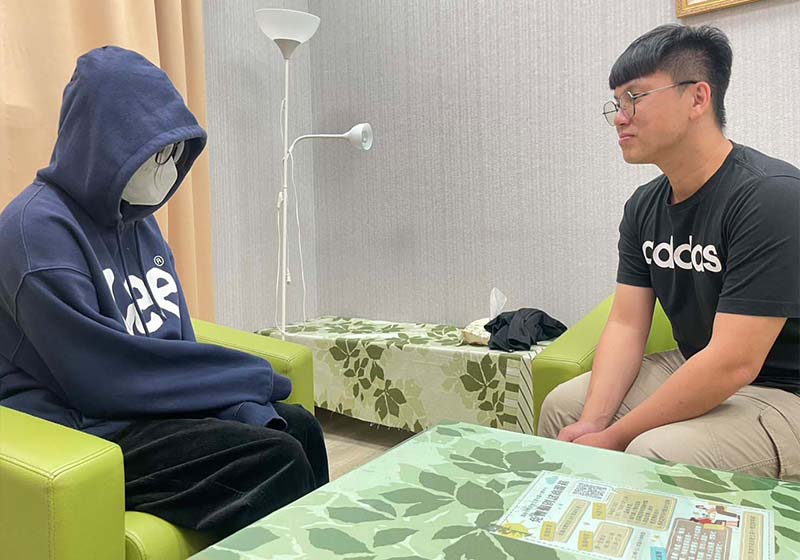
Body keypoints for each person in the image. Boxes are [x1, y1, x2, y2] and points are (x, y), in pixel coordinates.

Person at [0, 46, 328, 536]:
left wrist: (241, 404)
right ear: (104, 147)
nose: (168, 170)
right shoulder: (34, 233)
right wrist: (247, 379)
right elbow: (103, 378)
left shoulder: (139, 222)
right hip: (78, 423)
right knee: (274, 457)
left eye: (175, 154)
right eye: (155, 154)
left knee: (301, 427)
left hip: (136, 408)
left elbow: (173, 340)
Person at [538, 25, 800, 480]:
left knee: (654, 451)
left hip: (783, 390)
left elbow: (735, 361)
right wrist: (594, 423)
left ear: (698, 98)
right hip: (696, 362)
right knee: (564, 407)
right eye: (616, 103)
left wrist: (614, 438)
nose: (620, 118)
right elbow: (626, 324)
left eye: (634, 98)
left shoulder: (771, 197)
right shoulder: (644, 206)